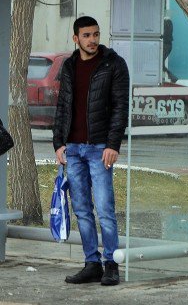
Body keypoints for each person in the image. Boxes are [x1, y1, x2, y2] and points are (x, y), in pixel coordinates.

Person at [53, 16, 129, 286]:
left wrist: (113, 145)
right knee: (82, 209)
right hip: (72, 149)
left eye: (96, 34)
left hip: (99, 148)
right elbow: (62, 106)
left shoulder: (114, 64)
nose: (93, 39)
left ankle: (111, 263)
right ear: (76, 38)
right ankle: (91, 263)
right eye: (86, 35)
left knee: (105, 208)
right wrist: (58, 143)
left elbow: (121, 108)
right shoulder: (69, 66)